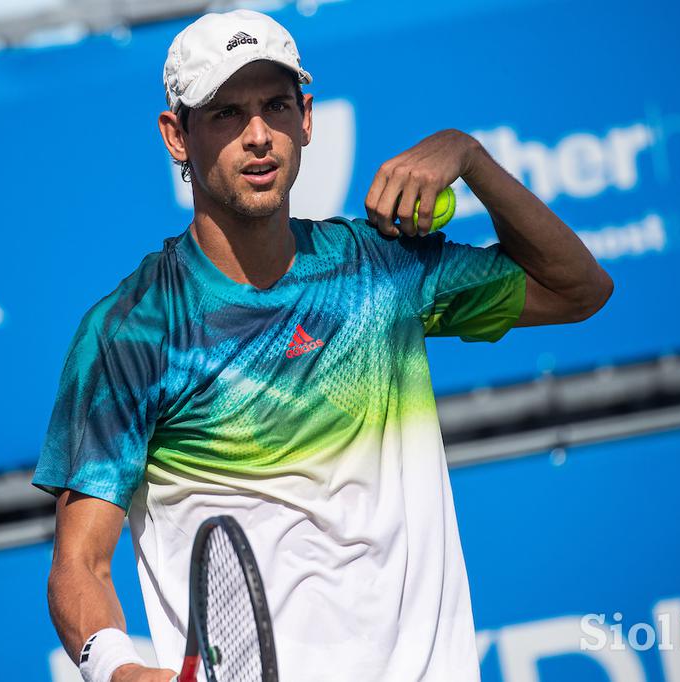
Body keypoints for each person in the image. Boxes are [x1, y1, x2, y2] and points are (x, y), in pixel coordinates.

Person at [32, 8, 613, 682]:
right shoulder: (131, 331)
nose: (258, 137)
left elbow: (578, 290)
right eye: (225, 113)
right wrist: (117, 670)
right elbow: (79, 563)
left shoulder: (381, 270)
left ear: (306, 119)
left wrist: (470, 157)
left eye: (276, 106)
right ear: (176, 135)